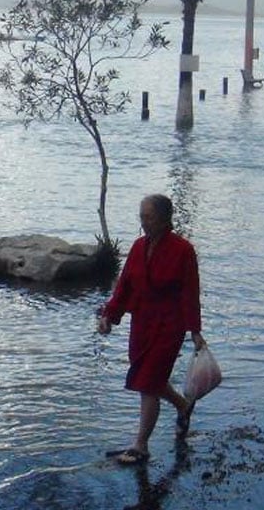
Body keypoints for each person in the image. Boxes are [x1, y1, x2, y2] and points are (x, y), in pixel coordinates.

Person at [96, 193, 203, 465]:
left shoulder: (183, 250)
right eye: (141, 216)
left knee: (148, 383)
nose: (144, 222)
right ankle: (183, 405)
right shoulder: (137, 247)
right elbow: (124, 287)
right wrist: (109, 314)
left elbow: (190, 292)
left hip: (169, 326)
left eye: (149, 217)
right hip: (142, 323)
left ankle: (140, 445)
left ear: (165, 218)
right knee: (148, 377)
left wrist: (195, 331)